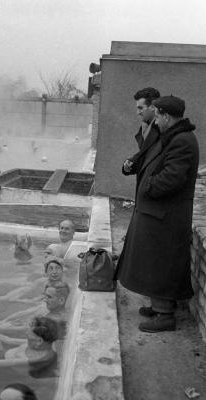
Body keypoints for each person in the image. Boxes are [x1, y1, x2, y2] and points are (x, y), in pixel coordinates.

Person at [116, 95, 199, 333]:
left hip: (167, 215)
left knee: (162, 264)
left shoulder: (182, 141)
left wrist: (148, 186)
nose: (157, 121)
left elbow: (172, 178)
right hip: (159, 213)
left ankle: (165, 315)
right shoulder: (173, 137)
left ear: (165, 116)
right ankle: (158, 305)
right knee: (153, 263)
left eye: (158, 116)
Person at [122, 87, 161, 179]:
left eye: (140, 108)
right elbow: (145, 154)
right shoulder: (145, 127)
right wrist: (130, 163)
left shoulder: (163, 130)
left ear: (152, 107)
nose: (137, 113)